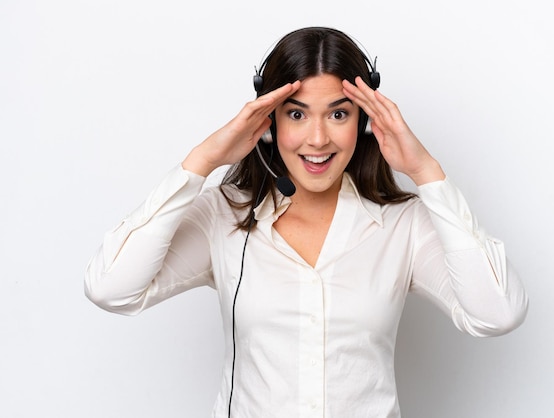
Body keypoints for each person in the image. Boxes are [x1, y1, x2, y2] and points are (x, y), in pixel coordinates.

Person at [85, 26, 528, 418]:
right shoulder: (224, 215)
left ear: (366, 122)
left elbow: (497, 313)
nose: (318, 139)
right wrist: (203, 161)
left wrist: (426, 171)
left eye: (339, 114)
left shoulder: (403, 224)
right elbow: (111, 288)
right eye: (296, 114)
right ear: (268, 122)